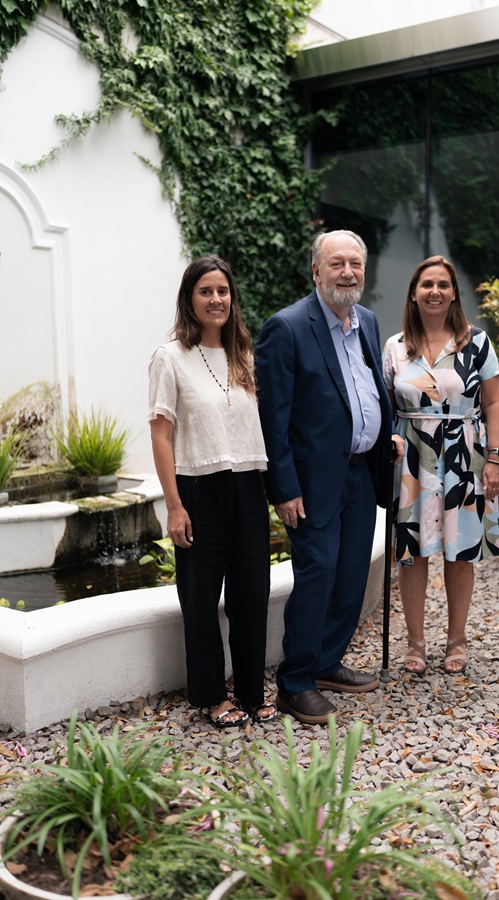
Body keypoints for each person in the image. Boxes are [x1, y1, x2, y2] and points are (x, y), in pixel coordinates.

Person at [254, 229, 394, 725]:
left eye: (355, 263)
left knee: (353, 571)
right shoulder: (287, 328)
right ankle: (295, 683)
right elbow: (273, 417)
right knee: (318, 572)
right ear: (316, 270)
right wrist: (284, 487)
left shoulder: (369, 322)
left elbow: (371, 390)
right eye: (337, 263)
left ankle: (328, 663)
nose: (348, 272)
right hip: (311, 482)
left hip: (360, 473)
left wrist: (387, 434)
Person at [148, 257, 276, 729]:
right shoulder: (170, 357)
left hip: (247, 485)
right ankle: (209, 696)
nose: (216, 299)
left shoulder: (243, 354)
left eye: (223, 291)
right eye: (206, 291)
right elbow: (162, 434)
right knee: (200, 598)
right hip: (197, 489)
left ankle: (249, 691)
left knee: (251, 594)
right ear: (190, 298)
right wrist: (175, 504)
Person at [383, 255, 499, 676]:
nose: (434, 291)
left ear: (454, 293)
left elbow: (493, 403)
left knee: (460, 550)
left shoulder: (478, 343)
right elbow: (385, 407)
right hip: (411, 457)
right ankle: (415, 644)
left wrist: (495, 459)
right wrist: (391, 436)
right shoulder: (395, 347)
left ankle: (457, 640)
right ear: (414, 294)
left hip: (464, 455)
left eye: (442, 285)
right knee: (411, 553)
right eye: (426, 285)